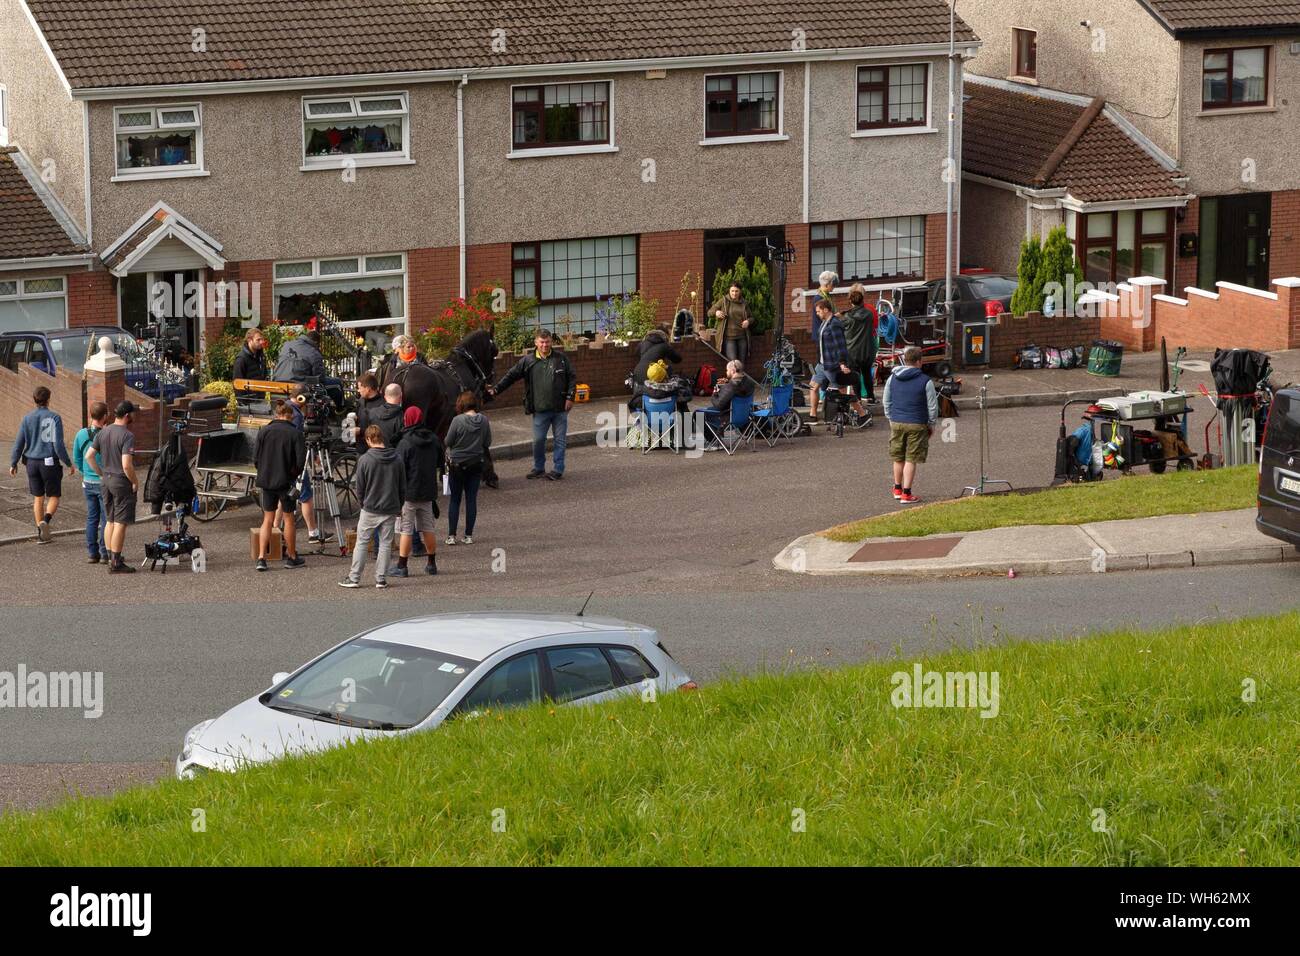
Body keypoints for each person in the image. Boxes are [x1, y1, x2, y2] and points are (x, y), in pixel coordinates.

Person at [490, 329, 575, 480]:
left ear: (551, 342)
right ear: (536, 343)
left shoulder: (561, 359)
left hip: (560, 408)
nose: (544, 345)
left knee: (560, 440)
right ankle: (539, 468)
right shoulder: (528, 361)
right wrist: (496, 390)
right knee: (538, 441)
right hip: (540, 409)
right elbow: (511, 376)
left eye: (547, 341)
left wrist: (570, 397)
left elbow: (572, 378)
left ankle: (558, 469)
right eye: (541, 342)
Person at [340, 424, 405, 589]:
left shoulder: (365, 459)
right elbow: (402, 485)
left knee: (362, 542)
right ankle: (381, 579)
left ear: (368, 439)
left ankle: (354, 578)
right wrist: (399, 504)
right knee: (385, 543)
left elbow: (359, 487)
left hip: (370, 507)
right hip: (391, 506)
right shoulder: (397, 458)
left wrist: (363, 503)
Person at [9, 385, 72, 543]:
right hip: (49, 463)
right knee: (54, 495)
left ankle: (41, 534)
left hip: (31, 463)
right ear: (48, 399)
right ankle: (46, 520)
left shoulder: (27, 418)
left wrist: (13, 462)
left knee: (38, 498)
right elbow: (58, 445)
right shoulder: (54, 417)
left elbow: (19, 443)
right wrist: (69, 463)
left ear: (34, 400)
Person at [252, 400, 307, 571]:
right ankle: (291, 556)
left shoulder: (264, 431)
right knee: (289, 518)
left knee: (267, 519)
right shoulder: (295, 433)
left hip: (266, 480)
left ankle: (261, 558)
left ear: (276, 415)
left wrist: (264, 471)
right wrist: (293, 475)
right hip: (285, 481)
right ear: (290, 416)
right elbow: (300, 461)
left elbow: (255, 458)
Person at [86, 401, 139, 573]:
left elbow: (89, 456)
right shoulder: (127, 435)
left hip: (106, 481)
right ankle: (116, 562)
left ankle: (110, 556)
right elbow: (126, 465)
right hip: (120, 482)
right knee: (120, 522)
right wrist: (134, 481)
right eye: (133, 413)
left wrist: (101, 473)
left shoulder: (103, 432)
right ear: (126, 416)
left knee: (109, 520)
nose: (134, 416)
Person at [883, 345, 939, 504]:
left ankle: (897, 488)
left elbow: (886, 400)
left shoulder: (892, 377)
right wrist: (931, 424)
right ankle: (907, 494)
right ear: (919, 362)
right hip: (917, 423)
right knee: (911, 458)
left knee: (898, 457)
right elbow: (932, 407)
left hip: (896, 421)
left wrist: (890, 417)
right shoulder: (925, 381)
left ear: (904, 360)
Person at [393, 406, 442, 577]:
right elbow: (439, 461)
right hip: (428, 492)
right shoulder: (433, 439)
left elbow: (398, 469)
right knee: (428, 528)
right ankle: (431, 564)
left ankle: (402, 566)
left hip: (409, 493)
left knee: (406, 530)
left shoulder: (405, 443)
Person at [284, 385, 331, 546]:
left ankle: (275, 531)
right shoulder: (296, 416)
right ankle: (313, 532)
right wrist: (315, 457)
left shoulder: (285, 407)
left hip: (282, 461)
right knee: (306, 496)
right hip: (294, 463)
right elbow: (298, 441)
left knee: (281, 496)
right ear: (301, 398)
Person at [444, 391, 491, 544]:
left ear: (460, 404)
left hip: (457, 464)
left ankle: (451, 536)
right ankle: (468, 536)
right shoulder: (484, 420)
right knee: (471, 500)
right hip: (476, 463)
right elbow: (487, 443)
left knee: (455, 500)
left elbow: (448, 441)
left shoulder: (457, 421)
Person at [809, 299, 860, 423]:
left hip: (832, 365)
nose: (817, 313)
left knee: (843, 391)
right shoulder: (825, 322)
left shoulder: (834, 324)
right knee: (812, 387)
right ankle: (813, 415)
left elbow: (840, 346)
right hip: (822, 364)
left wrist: (842, 363)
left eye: (818, 311)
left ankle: (862, 414)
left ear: (826, 310)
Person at [71, 402, 109, 563]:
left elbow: (77, 458)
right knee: (106, 519)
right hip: (103, 481)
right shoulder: (107, 435)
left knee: (92, 518)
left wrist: (85, 471)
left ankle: (92, 553)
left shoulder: (81, 434)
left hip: (87, 481)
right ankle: (105, 553)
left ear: (91, 415)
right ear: (105, 416)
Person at [273, 329, 343, 407]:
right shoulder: (313, 352)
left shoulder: (286, 345)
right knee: (337, 383)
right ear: (316, 342)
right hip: (299, 387)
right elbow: (319, 378)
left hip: (278, 384)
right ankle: (340, 410)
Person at [700, 360, 755, 448]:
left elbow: (718, 405)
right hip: (744, 417)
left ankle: (714, 441)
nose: (726, 372)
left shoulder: (731, 386)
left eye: (727, 370)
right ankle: (717, 439)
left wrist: (715, 393)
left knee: (698, 413)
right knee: (709, 410)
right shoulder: (750, 383)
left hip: (728, 418)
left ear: (733, 371)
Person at [840, 283, 879, 404]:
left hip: (852, 351)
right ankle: (871, 397)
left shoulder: (847, 316)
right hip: (867, 350)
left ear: (851, 300)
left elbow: (841, 329)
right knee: (867, 374)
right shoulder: (869, 314)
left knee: (855, 376)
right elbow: (874, 326)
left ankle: (858, 400)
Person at [628, 327, 683, 411]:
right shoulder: (664, 346)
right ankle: (683, 419)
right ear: (663, 337)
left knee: (643, 396)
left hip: (638, 372)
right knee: (664, 393)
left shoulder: (642, 343)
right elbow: (677, 359)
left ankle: (643, 416)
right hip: (653, 372)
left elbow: (636, 353)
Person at [709, 282, 752, 365]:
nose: (734, 293)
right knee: (733, 364)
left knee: (742, 363)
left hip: (742, 337)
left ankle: (740, 378)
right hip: (729, 338)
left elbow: (752, 317)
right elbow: (710, 312)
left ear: (740, 292)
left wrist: (748, 321)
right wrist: (716, 312)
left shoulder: (744, 303)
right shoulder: (723, 301)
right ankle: (733, 378)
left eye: (736, 291)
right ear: (729, 291)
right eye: (732, 291)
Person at [353, 371, 383, 454]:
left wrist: (361, 431)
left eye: (359, 387)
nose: (358, 390)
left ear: (368, 389)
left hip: (374, 451)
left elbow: (381, 429)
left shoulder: (381, 405)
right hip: (360, 448)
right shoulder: (361, 400)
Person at [232, 328, 269, 395]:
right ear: (249, 340)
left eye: (262, 339)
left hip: (261, 399)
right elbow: (237, 384)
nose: (261, 342)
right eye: (258, 340)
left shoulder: (261, 357)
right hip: (247, 402)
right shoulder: (241, 359)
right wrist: (243, 403)